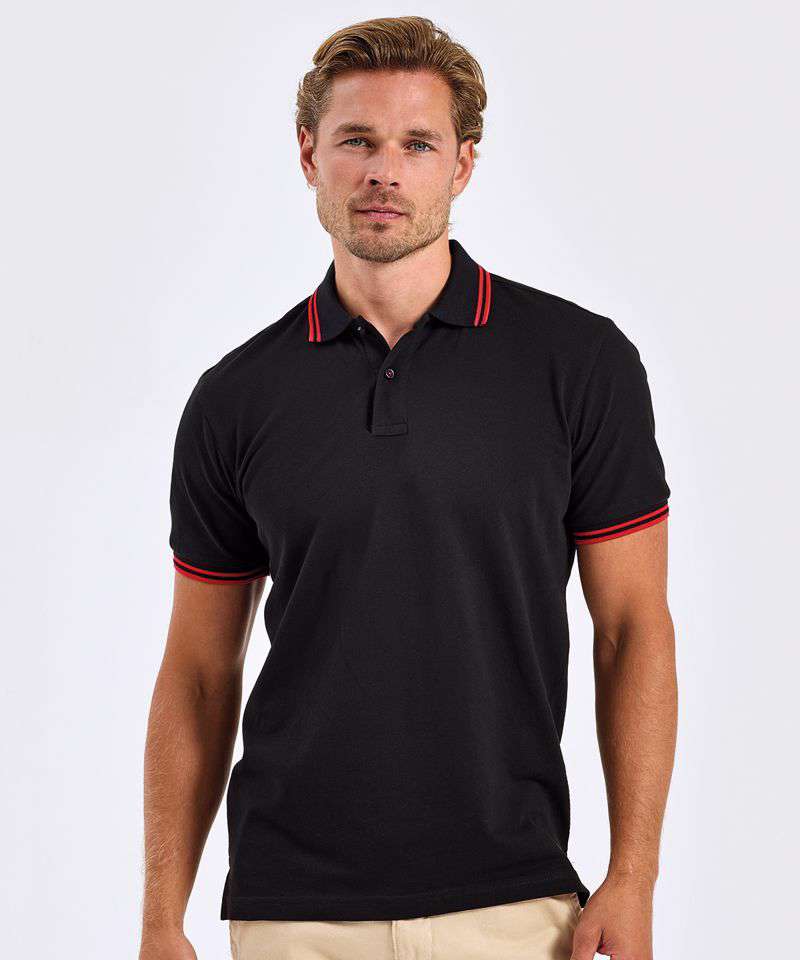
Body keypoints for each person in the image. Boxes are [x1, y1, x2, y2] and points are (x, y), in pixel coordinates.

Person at [139, 15, 677, 960]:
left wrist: (634, 876)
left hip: (515, 901)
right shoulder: (236, 398)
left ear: (462, 165)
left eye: (417, 144)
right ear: (309, 155)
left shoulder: (577, 364)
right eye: (357, 140)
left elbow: (632, 627)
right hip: (291, 910)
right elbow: (197, 671)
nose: (384, 172)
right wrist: (159, 919)